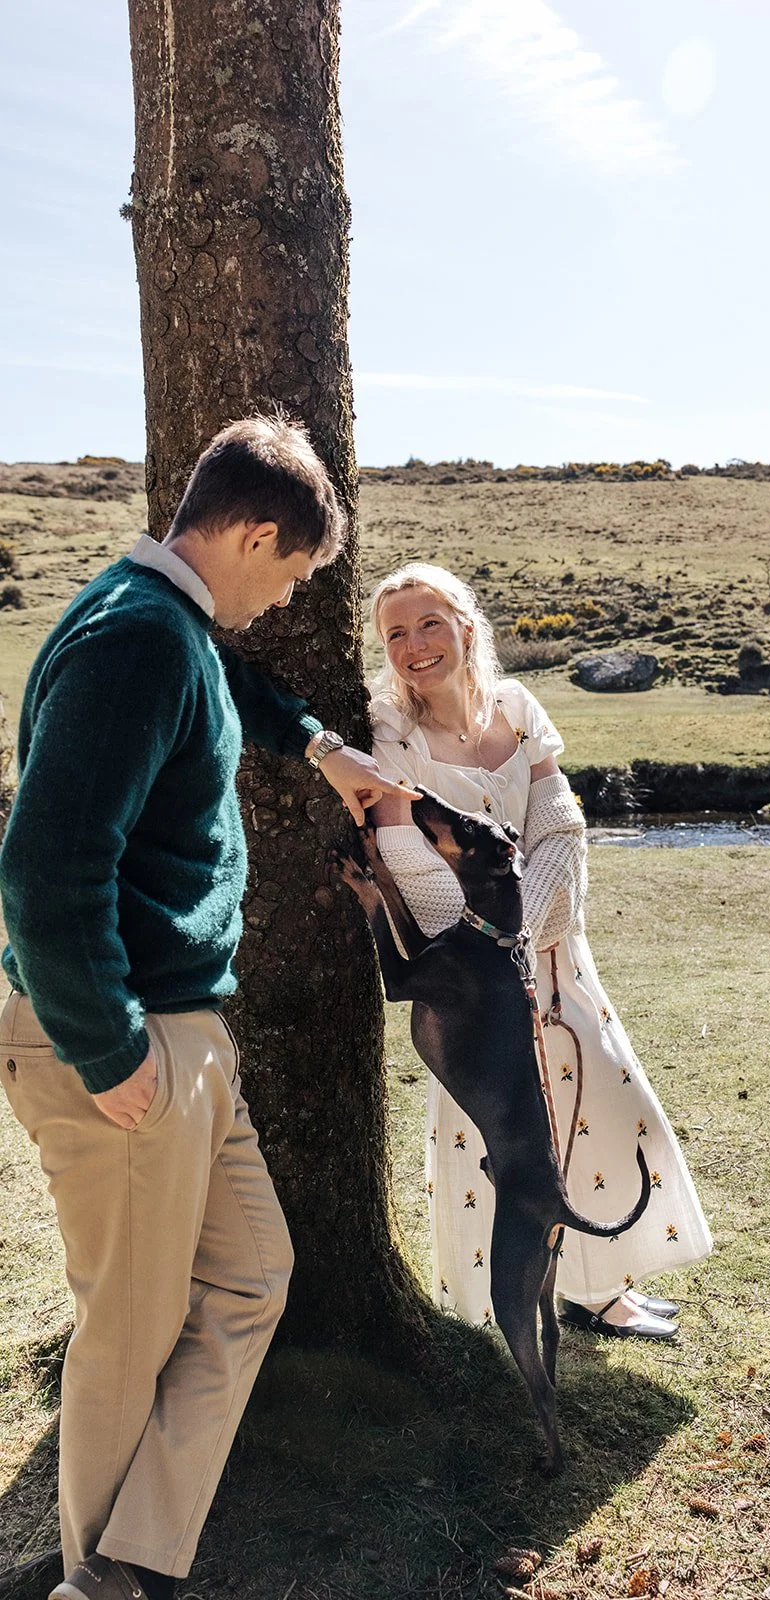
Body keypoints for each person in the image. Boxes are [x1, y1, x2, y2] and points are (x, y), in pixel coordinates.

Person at [0, 416, 411, 1600]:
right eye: (288, 573)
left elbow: (223, 678)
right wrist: (106, 1043)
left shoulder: (164, 621)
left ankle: (138, 1548)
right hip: (123, 1036)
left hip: (183, 1032)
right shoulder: (138, 638)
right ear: (250, 532)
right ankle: (98, 1584)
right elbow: (41, 868)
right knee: (128, 1330)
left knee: (247, 1277)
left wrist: (320, 743)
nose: (284, 602)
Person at [366, 563, 711, 1342]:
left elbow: (560, 826)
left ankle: (600, 1287)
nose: (415, 646)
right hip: (470, 971)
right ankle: (521, 1297)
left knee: (605, 1107)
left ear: (464, 626)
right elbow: (399, 845)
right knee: (504, 1131)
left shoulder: (516, 709)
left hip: (553, 951)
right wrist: (488, 941)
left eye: (429, 624)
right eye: (396, 634)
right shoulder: (392, 730)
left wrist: (528, 926)